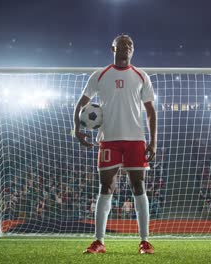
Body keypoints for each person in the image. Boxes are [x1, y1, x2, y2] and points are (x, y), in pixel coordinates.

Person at [74, 34, 157, 255]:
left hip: (135, 140)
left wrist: (153, 141)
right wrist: (77, 129)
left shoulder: (141, 76)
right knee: (106, 188)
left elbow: (150, 111)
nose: (127, 47)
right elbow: (81, 105)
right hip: (109, 139)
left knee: (138, 187)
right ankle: (99, 241)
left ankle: (145, 241)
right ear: (113, 48)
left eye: (130, 44)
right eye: (122, 44)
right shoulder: (100, 75)